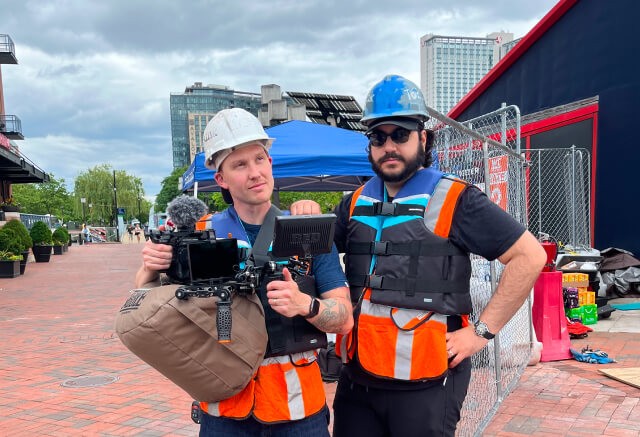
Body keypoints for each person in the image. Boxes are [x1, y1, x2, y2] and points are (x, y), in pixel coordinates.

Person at [293, 74, 546, 436]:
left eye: (400, 134)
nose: (389, 146)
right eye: (378, 137)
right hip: (358, 379)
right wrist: (308, 215)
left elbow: (530, 257)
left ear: (422, 137)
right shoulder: (354, 203)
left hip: (428, 383)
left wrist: (481, 333)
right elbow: (309, 255)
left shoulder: (456, 199)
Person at [135, 108, 353, 437]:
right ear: (220, 178)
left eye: (260, 159)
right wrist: (150, 268)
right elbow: (146, 302)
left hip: (297, 408)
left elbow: (345, 318)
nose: (255, 173)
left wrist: (305, 305)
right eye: (240, 164)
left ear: (270, 162)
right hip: (225, 406)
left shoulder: (307, 231)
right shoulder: (198, 233)